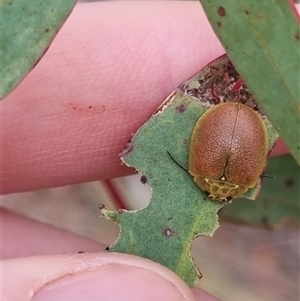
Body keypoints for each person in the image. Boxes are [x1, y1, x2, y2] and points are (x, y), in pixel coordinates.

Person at [1, 2, 289, 300]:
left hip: (228, 122)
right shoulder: (212, 172)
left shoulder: (213, 172)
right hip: (231, 124)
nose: (215, 195)